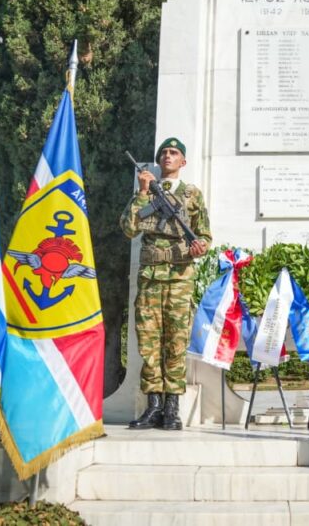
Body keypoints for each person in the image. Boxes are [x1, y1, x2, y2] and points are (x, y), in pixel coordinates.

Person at [120, 137, 211, 430]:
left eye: (174, 153)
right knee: (149, 343)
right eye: (164, 153)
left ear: (182, 161)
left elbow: (205, 235)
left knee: (175, 343)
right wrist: (143, 192)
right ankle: (153, 407)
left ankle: (172, 408)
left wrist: (201, 247)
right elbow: (129, 228)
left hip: (180, 279)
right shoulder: (144, 193)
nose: (168, 156)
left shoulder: (191, 194)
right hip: (150, 279)